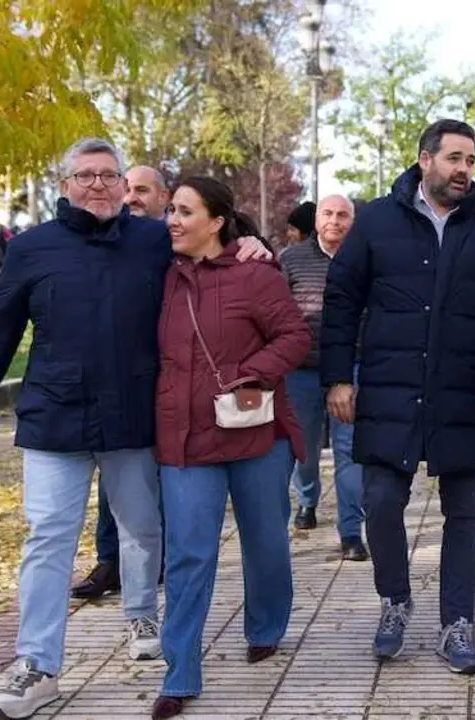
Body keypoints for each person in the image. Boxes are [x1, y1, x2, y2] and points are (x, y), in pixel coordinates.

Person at [0, 138, 269, 720]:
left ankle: (142, 613)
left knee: (141, 529)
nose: (97, 185)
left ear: (125, 184)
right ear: (64, 183)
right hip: (53, 418)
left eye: (109, 175)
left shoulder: (152, 240)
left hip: (133, 416)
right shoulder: (32, 248)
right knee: (47, 537)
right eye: (85, 175)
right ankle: (37, 664)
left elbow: (211, 246)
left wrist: (251, 245)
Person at [321, 119, 475, 675]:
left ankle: (456, 622)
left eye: (471, 159)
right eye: (455, 159)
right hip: (391, 387)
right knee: (382, 500)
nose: (465, 169)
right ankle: (395, 599)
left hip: (466, 391)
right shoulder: (376, 221)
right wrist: (338, 377)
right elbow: (342, 301)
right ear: (425, 160)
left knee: (463, 513)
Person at [149, 177, 310, 720]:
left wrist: (251, 376)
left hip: (255, 434)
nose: (172, 219)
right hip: (185, 437)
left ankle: (265, 627)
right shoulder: (159, 275)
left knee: (265, 541)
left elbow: (294, 337)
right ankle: (180, 674)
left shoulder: (256, 274)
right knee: (189, 553)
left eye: (184, 211)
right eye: (169, 209)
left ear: (216, 222)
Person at [73, 164, 172, 601]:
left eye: (142, 190)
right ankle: (109, 561)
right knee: (111, 480)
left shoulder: (174, 242)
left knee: (158, 481)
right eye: (126, 188)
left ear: (164, 198)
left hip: (165, 381)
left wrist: (250, 243)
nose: (131, 196)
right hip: (111, 387)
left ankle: (159, 559)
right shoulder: (102, 241)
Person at [280, 194, 370, 560]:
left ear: (353, 221)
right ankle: (307, 499)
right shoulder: (291, 259)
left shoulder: (366, 258)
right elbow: (276, 312)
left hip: (351, 368)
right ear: (316, 220)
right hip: (301, 370)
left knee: (349, 450)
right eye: (328, 214)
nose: (335, 221)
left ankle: (351, 532)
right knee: (303, 448)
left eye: (343, 215)